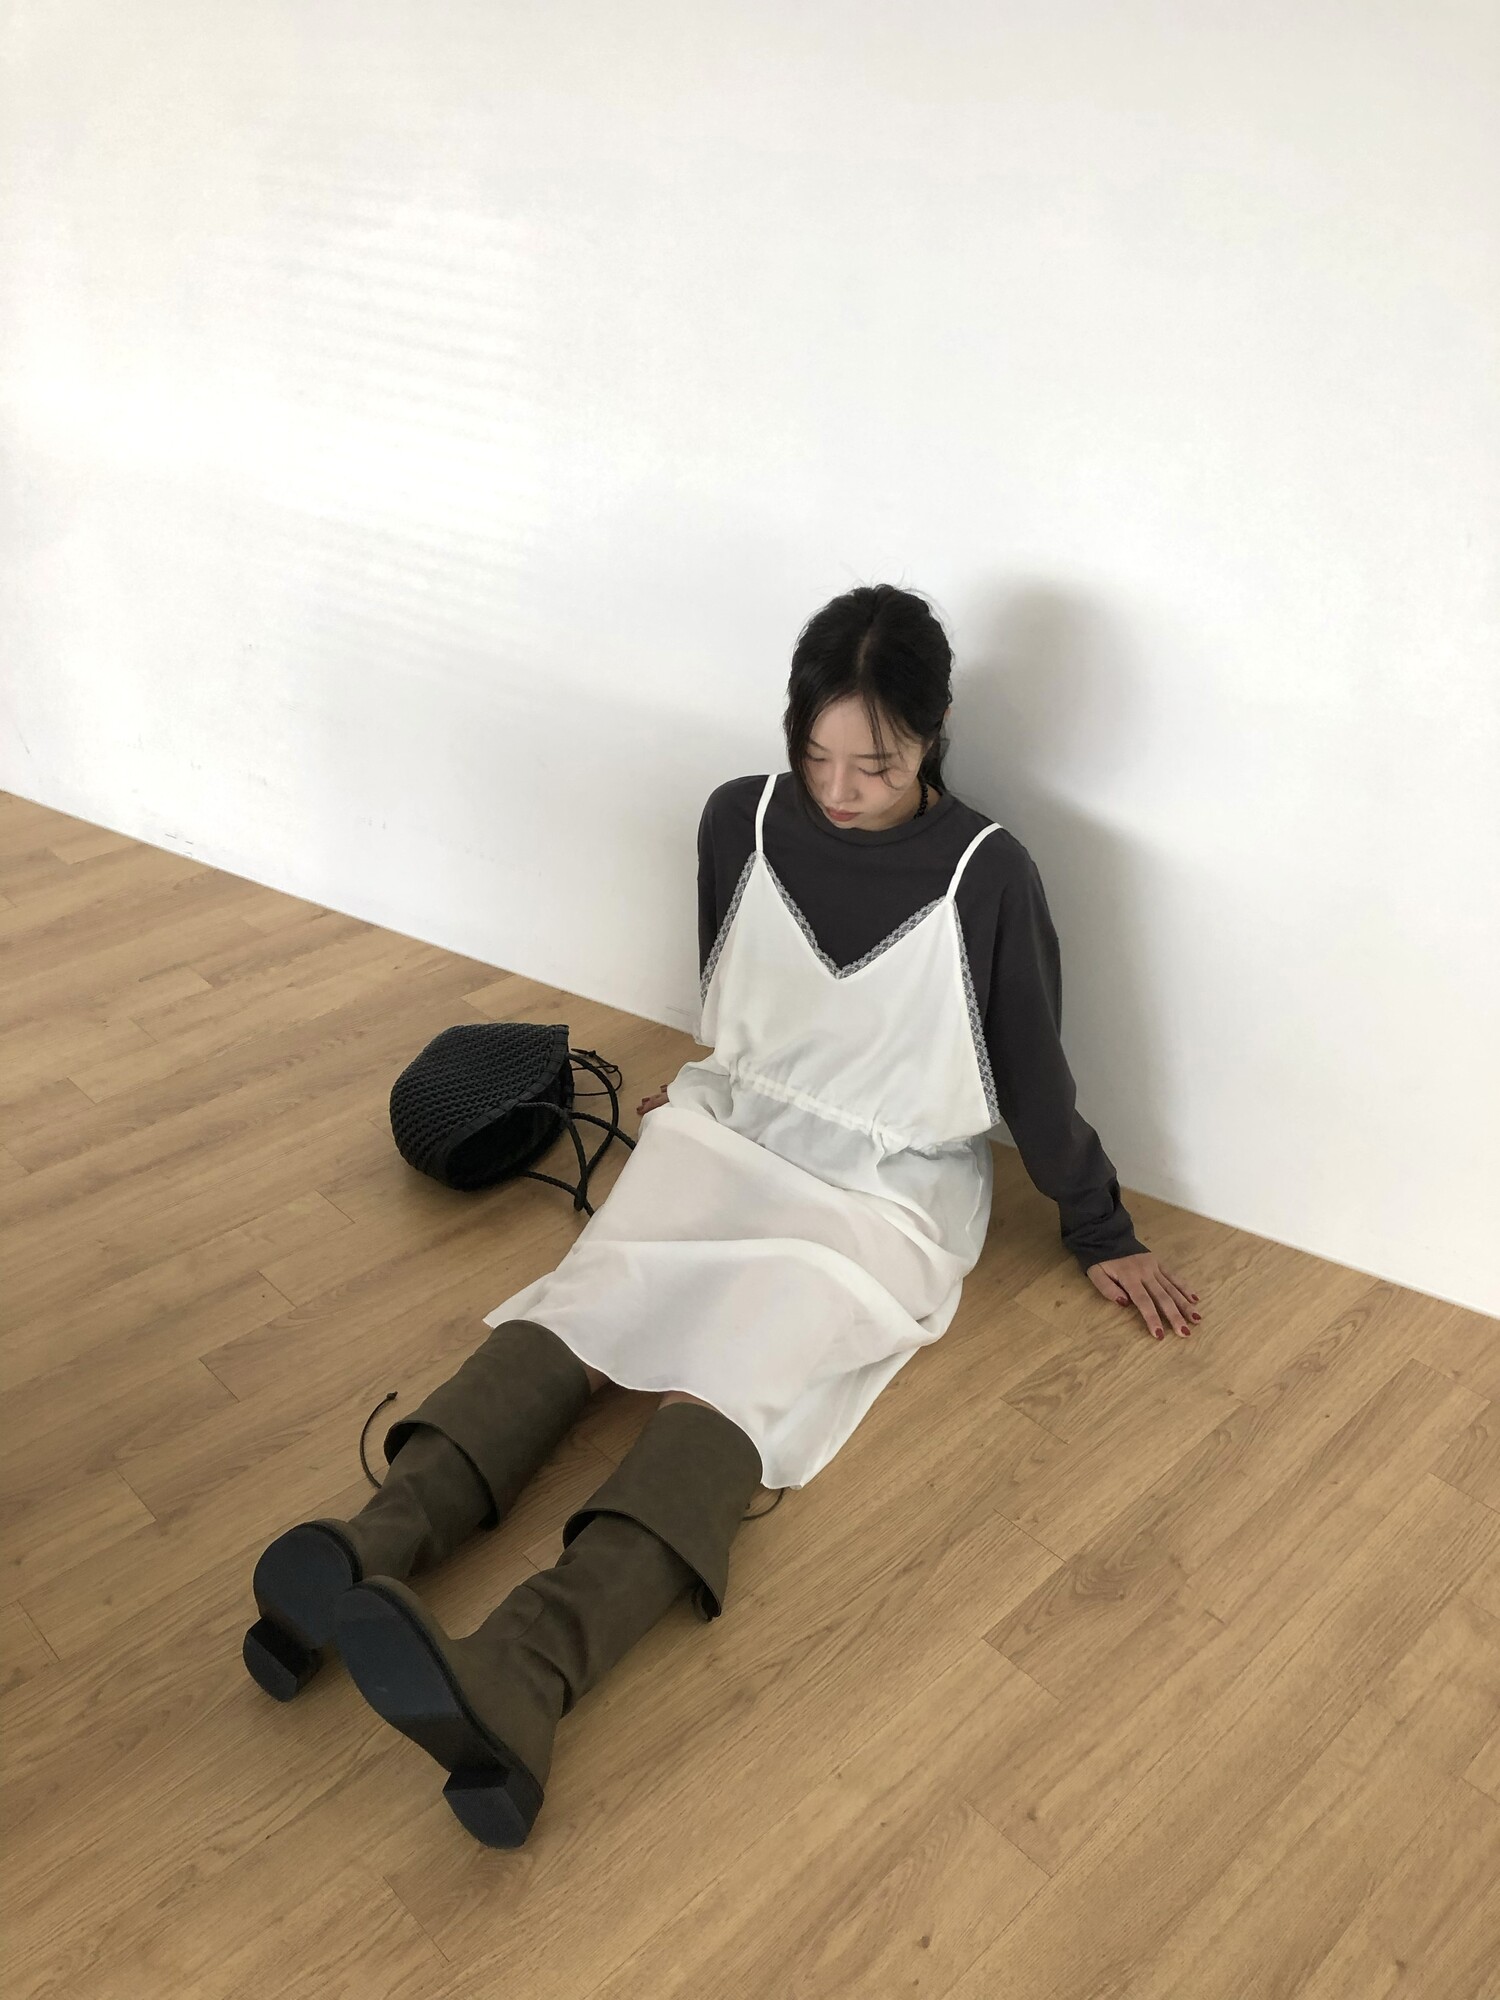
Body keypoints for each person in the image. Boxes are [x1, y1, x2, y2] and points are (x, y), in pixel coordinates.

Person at [242, 582, 1203, 1850]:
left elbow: (1032, 1072)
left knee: (737, 1381)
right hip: (729, 1126)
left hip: (885, 1189)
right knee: (587, 1304)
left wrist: (1100, 1225)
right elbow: (736, 992)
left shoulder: (991, 875)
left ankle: (522, 1668)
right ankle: (367, 1543)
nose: (840, 788)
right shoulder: (736, 817)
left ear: (935, 736)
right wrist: (724, 1079)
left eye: (879, 763)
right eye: (817, 753)